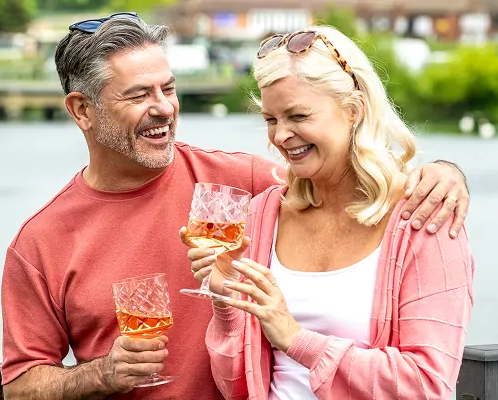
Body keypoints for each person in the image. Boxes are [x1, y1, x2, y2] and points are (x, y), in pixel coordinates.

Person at [0, 14, 471, 400]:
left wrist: (443, 171)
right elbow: (20, 384)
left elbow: (339, 175)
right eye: (139, 94)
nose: (164, 108)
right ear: (81, 110)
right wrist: (102, 374)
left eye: (168, 88)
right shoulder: (43, 239)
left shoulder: (245, 187)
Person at [186, 26, 475, 400]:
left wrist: (295, 339)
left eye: (298, 116)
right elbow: (236, 387)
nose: (281, 135)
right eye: (271, 120)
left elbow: (426, 384)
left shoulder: (423, 217)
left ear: (353, 110)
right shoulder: (261, 215)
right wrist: (224, 302)